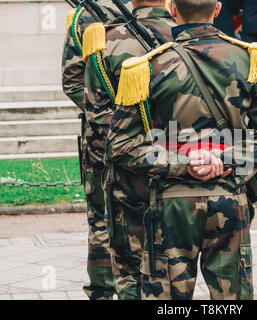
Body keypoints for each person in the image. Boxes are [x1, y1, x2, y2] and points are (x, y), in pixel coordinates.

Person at [106, 0, 257, 300]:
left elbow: (121, 144)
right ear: (217, 9)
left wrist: (184, 162)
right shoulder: (251, 58)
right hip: (229, 197)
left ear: (172, 8)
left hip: (172, 202)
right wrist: (224, 159)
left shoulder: (146, 67)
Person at [82, 0, 176, 299]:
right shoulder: (187, 38)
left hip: (127, 166)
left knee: (130, 263)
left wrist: (134, 137)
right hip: (178, 162)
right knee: (174, 257)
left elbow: (96, 112)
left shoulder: (105, 42)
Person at [61, 0, 134, 300]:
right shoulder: (85, 16)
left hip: (128, 135)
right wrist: (117, 116)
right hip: (104, 138)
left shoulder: (145, 9)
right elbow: (73, 80)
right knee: (103, 219)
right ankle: (103, 290)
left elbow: (71, 81)